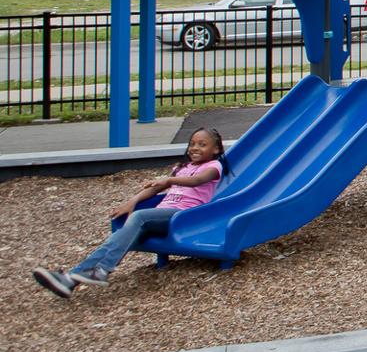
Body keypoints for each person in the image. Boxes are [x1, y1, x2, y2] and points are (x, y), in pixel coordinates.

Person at [31, 128, 228, 298]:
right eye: (192, 143)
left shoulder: (214, 166)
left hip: (184, 217)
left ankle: (102, 270)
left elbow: (197, 181)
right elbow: (154, 189)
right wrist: (132, 201)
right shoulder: (181, 167)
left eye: (202, 144)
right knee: (117, 238)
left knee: (139, 217)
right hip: (162, 215)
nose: (195, 148)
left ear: (216, 149)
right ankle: (70, 279)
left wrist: (168, 181)